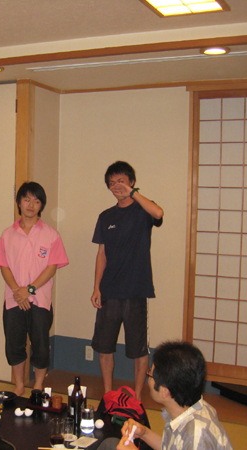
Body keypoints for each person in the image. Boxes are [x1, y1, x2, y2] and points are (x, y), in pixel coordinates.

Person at [90, 161, 163, 400]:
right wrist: (96, 288)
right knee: (104, 347)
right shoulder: (106, 216)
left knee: (138, 350)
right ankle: (108, 394)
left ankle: (137, 397)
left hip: (136, 290)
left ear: (131, 182)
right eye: (112, 183)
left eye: (121, 181)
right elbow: (101, 254)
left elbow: (159, 213)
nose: (116, 186)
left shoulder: (143, 210)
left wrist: (133, 193)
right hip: (109, 291)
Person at [0, 181, 69, 396]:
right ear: (19, 202)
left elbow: (52, 267)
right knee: (14, 344)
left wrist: (30, 290)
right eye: (27, 200)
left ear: (41, 205)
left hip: (40, 299)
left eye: (36, 201)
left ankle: (38, 385)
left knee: (41, 344)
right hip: (14, 299)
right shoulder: (7, 234)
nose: (31, 205)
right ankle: (18, 385)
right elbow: (3, 266)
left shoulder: (51, 235)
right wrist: (18, 291)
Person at [98, 341, 234, 450]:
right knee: (111, 444)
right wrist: (144, 433)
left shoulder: (197, 436)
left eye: (150, 373)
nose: (148, 378)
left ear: (165, 391)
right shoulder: (190, 409)